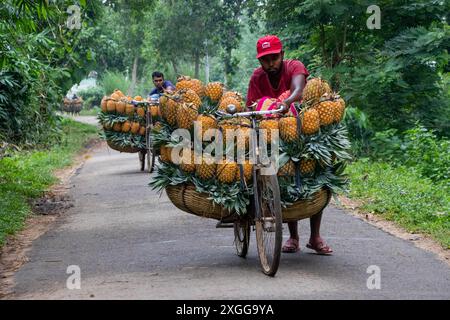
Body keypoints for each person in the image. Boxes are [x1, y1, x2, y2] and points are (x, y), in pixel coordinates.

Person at [246, 35, 333, 255]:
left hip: (302, 131)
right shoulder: (257, 77)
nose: (270, 64)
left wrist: (286, 102)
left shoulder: (294, 66)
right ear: (260, 62)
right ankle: (293, 237)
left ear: (282, 55)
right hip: (271, 136)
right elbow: (252, 107)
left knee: (316, 174)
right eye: (265, 60)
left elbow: (299, 90)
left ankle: (315, 236)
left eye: (274, 58)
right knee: (283, 179)